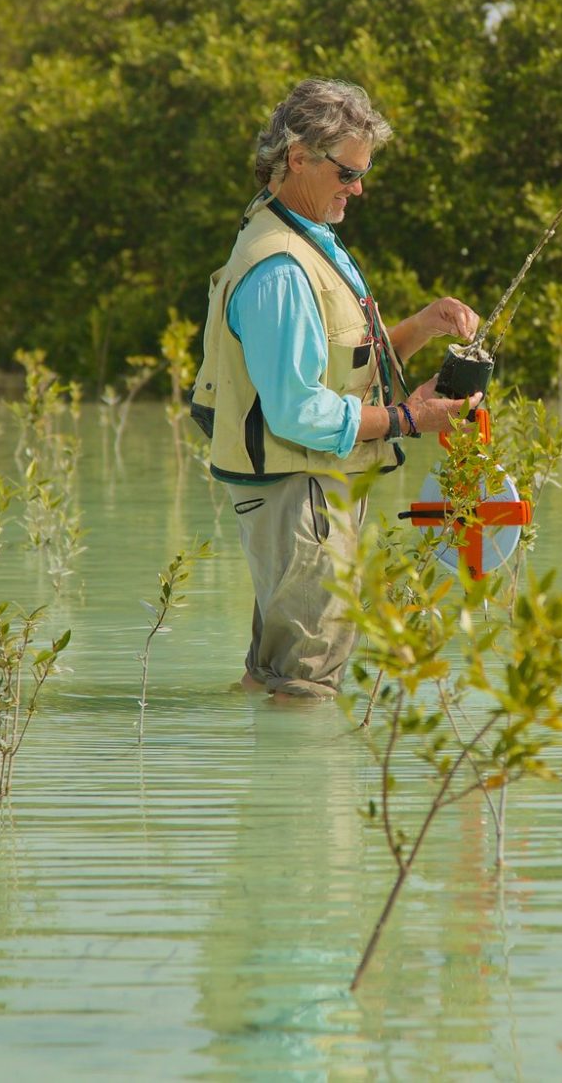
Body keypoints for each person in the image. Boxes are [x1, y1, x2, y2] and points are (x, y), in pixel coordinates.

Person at [191, 79, 480, 698]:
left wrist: (421, 327)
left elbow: (336, 366)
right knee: (306, 682)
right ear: (298, 158)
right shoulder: (281, 267)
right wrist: (408, 419)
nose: (358, 189)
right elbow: (298, 411)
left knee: (275, 675)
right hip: (301, 496)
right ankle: (306, 795)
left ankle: (260, 777)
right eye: (347, 173)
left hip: (310, 492)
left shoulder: (301, 235)